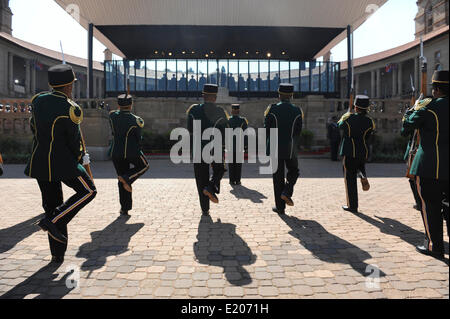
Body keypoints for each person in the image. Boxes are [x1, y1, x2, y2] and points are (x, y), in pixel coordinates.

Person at [25, 64, 97, 264]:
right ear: (69, 86)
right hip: (63, 162)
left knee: (53, 204)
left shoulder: (37, 101)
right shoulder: (71, 108)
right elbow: (74, 142)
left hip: (39, 160)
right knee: (89, 190)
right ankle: (53, 221)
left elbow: (33, 127)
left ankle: (57, 254)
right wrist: (80, 159)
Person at [401, 70, 449, 260]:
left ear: (436, 89)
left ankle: (434, 246)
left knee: (430, 207)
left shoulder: (428, 107)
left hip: (430, 165)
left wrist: (413, 107)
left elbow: (406, 127)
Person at [187, 84, 229, 215]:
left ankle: (205, 209)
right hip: (215, 147)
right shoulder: (220, 112)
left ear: (203, 96)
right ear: (215, 98)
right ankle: (211, 187)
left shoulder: (193, 111)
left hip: (198, 148)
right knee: (220, 169)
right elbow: (225, 132)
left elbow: (190, 130)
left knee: (201, 177)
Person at [264, 83, 303, 215]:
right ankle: (287, 190)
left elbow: (267, 129)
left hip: (275, 146)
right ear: (291, 95)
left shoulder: (272, 109)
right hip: (290, 146)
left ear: (279, 94)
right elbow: (298, 131)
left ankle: (280, 207)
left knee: (277, 176)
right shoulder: (297, 110)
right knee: (294, 171)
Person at [109, 94, 149, 216]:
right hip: (131, 151)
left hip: (116, 152)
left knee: (121, 178)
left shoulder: (112, 117)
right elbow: (138, 138)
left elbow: (113, 114)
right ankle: (128, 177)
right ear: (131, 105)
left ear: (118, 105)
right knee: (144, 166)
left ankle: (124, 208)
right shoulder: (136, 120)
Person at [338, 95, 375, 213]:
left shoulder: (348, 118)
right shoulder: (370, 121)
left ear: (355, 107)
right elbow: (369, 135)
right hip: (362, 150)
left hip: (349, 151)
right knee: (359, 166)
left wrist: (347, 113)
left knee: (349, 179)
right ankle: (362, 175)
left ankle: (352, 205)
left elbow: (340, 125)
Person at [227, 104, 249, 185]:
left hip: (230, 146)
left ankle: (231, 180)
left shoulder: (228, 120)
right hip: (239, 146)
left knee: (231, 164)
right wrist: (246, 146)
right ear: (238, 111)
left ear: (232, 111)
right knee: (238, 164)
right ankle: (238, 180)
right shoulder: (243, 121)